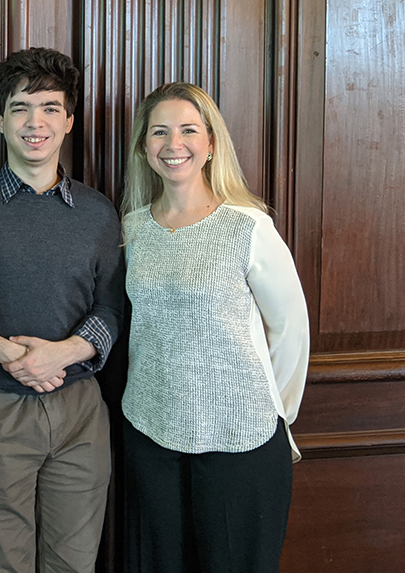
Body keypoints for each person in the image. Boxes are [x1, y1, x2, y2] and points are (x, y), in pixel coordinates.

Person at [0, 47, 125, 572]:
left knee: (74, 564)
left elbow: (110, 309)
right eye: (20, 108)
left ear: (69, 121)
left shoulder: (99, 213)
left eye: (50, 108)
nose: (35, 122)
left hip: (81, 410)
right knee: (2, 565)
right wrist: (12, 355)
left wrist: (59, 354)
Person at [120, 82, 309, 572]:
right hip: (151, 433)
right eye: (159, 132)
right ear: (144, 146)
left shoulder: (248, 227)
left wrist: (273, 414)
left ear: (210, 144)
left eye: (188, 130)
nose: (173, 144)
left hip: (239, 442)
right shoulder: (131, 228)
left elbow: (290, 331)